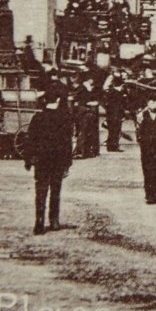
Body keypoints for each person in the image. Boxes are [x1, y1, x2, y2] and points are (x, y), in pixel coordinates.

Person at [24, 91, 73, 235]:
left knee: (40, 190)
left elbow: (30, 139)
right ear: (57, 100)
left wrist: (28, 159)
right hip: (57, 159)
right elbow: (67, 143)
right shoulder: (64, 119)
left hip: (41, 159)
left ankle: (39, 221)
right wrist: (67, 163)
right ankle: (54, 221)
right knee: (55, 190)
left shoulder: (37, 118)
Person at [136, 94, 156, 205]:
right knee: (147, 169)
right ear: (148, 103)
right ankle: (149, 193)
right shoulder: (141, 115)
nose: (155, 105)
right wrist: (142, 142)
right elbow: (138, 131)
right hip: (146, 147)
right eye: (153, 102)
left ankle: (154, 191)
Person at [74, 71, 100, 158]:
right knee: (84, 131)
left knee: (87, 131)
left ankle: (86, 151)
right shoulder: (82, 88)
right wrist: (90, 103)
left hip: (87, 111)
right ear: (90, 79)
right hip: (84, 112)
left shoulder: (86, 87)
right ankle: (81, 151)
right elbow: (79, 100)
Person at [103, 69, 127, 153]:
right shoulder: (115, 92)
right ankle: (112, 146)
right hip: (114, 113)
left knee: (115, 129)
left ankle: (113, 146)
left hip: (115, 113)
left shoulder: (114, 91)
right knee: (114, 129)